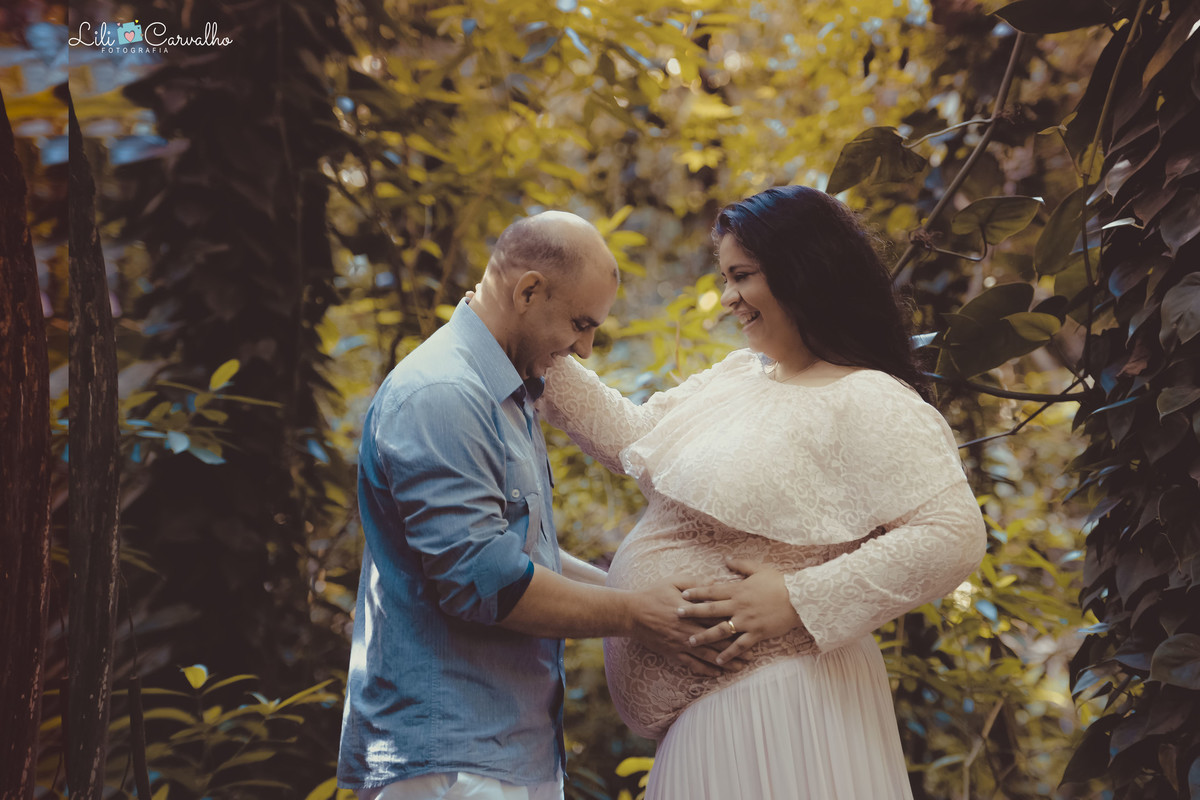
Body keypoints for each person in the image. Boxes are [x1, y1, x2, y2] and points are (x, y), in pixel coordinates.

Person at [536, 186, 987, 799]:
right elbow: (632, 436)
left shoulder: (871, 397)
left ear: (804, 270)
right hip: (713, 724)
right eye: (724, 278)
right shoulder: (740, 379)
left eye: (741, 276)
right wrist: (520, 336)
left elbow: (952, 536)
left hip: (783, 709)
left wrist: (798, 600)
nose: (727, 299)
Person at [336, 211, 723, 800]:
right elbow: (485, 581)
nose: (586, 349)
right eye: (580, 323)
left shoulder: (508, 394)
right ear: (528, 290)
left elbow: (523, 554)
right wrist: (636, 615)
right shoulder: (444, 394)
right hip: (450, 763)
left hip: (510, 752)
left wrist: (647, 598)